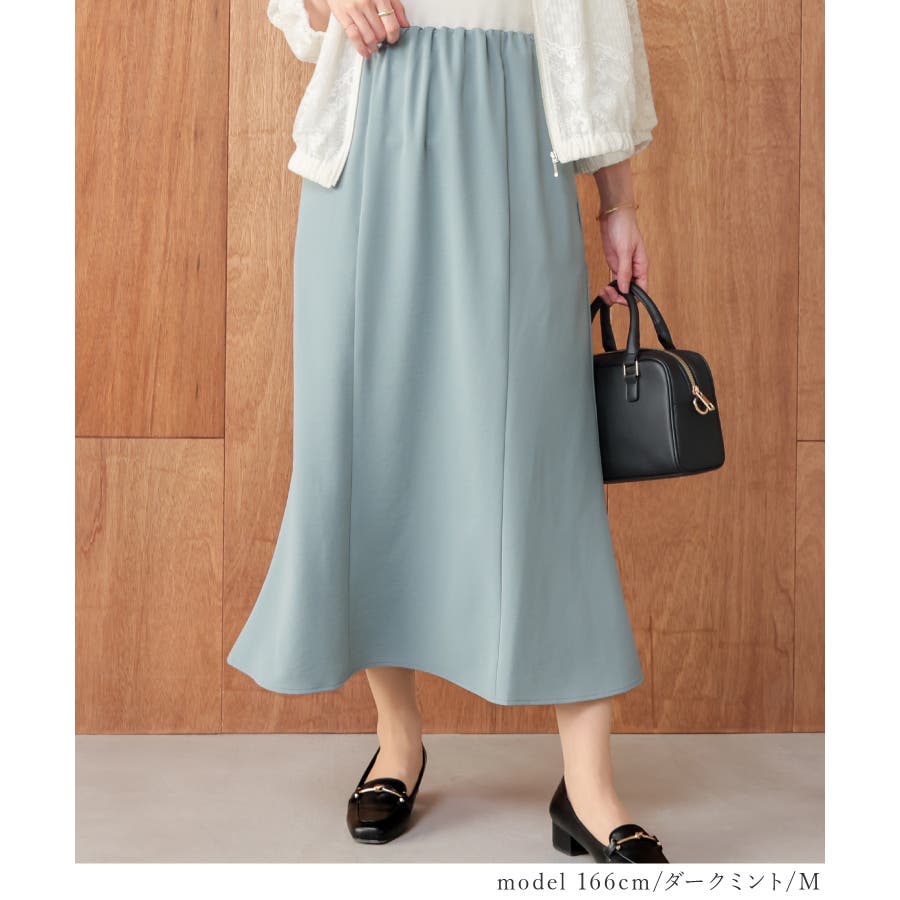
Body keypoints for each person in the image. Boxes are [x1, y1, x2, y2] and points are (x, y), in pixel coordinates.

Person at [227, 0, 669, 864]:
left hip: (516, 127)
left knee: (543, 464)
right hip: (372, 123)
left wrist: (616, 201)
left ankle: (589, 785)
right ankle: (397, 740)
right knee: (366, 448)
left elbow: (596, 19)